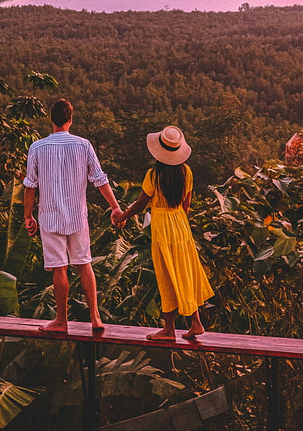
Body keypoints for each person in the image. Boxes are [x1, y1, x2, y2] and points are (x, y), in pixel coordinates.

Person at [23, 98, 123, 333]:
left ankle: (61, 321)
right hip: (77, 216)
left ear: (51, 120)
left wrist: (28, 216)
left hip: (49, 217)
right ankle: (95, 318)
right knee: (84, 263)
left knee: (60, 269)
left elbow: (30, 185)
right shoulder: (83, 145)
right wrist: (116, 207)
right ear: (70, 119)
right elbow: (100, 179)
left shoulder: (37, 147)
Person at [115, 125, 214, 340]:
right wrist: (178, 219)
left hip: (162, 227)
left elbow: (141, 204)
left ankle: (169, 329)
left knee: (166, 275)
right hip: (181, 224)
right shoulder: (186, 172)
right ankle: (195, 322)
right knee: (185, 272)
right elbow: (186, 205)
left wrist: (122, 216)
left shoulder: (154, 174)